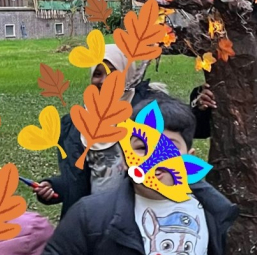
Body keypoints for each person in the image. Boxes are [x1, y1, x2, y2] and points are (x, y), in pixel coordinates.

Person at [31, 96, 238, 255]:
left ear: (189, 155)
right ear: (125, 154)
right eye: (141, 147)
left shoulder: (209, 209)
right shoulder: (92, 216)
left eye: (169, 146)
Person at [34, 45, 213, 216]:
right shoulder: (75, 124)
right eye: (98, 73)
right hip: (94, 220)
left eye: (113, 72)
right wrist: (53, 186)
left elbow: (189, 128)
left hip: (141, 216)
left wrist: (200, 107)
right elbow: (82, 178)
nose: (104, 80)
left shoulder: (150, 108)